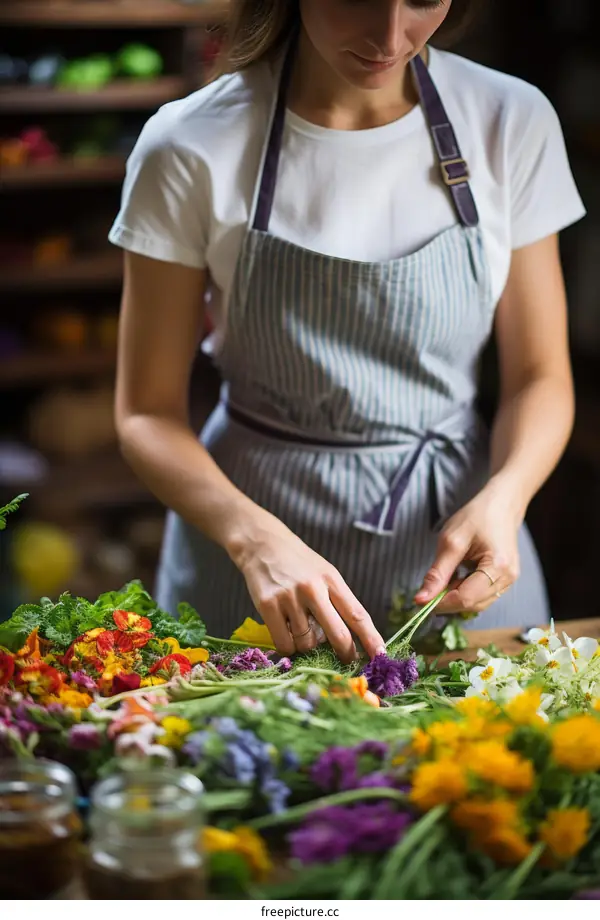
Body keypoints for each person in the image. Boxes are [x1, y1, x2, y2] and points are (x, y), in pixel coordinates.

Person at [110, 0, 585, 664]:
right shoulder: (191, 143)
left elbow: (540, 377)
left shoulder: (510, 120)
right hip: (250, 555)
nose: (390, 36)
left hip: (456, 550)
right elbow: (145, 414)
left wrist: (506, 499)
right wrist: (252, 539)